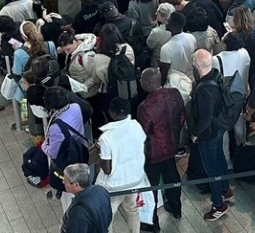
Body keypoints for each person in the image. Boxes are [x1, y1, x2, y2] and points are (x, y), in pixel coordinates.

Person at [188, 49, 233, 222]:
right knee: (219, 157)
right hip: (219, 127)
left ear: (198, 66)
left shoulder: (203, 89)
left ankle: (218, 205)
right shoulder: (216, 76)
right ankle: (225, 188)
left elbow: (205, 117)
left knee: (211, 167)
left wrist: (195, 134)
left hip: (208, 133)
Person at [136, 68, 184, 224]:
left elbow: (141, 133)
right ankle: (176, 209)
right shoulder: (174, 93)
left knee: (151, 186)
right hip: (172, 146)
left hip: (153, 152)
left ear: (149, 83)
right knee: (172, 177)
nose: (140, 82)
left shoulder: (145, 106)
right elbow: (182, 117)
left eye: (142, 79)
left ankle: (152, 221)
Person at [96, 97, 148, 233]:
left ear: (112, 113)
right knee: (132, 209)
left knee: (109, 213)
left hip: (115, 185)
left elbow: (107, 170)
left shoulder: (106, 137)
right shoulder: (137, 125)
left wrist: (100, 154)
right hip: (135, 180)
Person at [61, 166, 113, 233]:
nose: (63, 182)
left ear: (76, 185)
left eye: (66, 181)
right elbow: (109, 214)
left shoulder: (78, 211)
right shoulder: (100, 189)